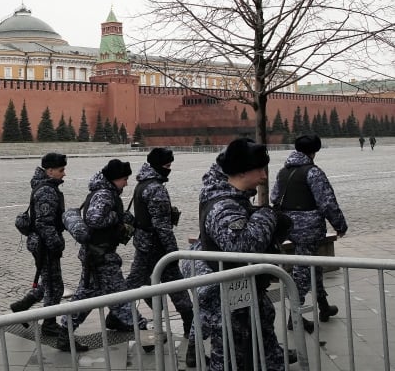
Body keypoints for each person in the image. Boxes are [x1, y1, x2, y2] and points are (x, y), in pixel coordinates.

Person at [195, 138, 293, 371]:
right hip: (229, 305)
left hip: (246, 298)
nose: (264, 176)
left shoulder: (235, 201)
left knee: (267, 357)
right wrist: (267, 216)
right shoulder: (223, 207)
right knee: (229, 361)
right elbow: (241, 246)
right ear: (242, 172)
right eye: (259, 169)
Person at [58, 159, 138, 352]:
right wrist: (117, 218)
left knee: (86, 297)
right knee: (120, 296)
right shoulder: (104, 194)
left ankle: (64, 334)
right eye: (124, 179)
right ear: (114, 178)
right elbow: (94, 218)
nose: (126, 183)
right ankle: (143, 333)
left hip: (98, 254)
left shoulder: (105, 191)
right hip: (100, 256)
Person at [270, 134, 348, 332]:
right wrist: (340, 225)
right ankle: (294, 316)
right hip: (308, 228)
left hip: (288, 226)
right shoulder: (313, 173)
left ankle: (323, 306)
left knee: (314, 266)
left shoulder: (283, 171)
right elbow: (327, 202)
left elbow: (274, 197)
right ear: (314, 151)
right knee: (304, 271)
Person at [125, 148, 196, 361]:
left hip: (144, 246)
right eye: (167, 166)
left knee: (135, 284)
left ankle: (124, 315)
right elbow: (163, 227)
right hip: (157, 248)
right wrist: (172, 254)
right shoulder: (155, 189)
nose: (169, 169)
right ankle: (188, 323)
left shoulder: (142, 183)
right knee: (175, 285)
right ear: (157, 165)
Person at [9, 152, 68, 337]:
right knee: (55, 286)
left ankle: (22, 305)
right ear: (49, 171)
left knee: (49, 280)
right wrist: (56, 244)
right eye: (61, 170)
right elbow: (44, 223)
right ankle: (49, 324)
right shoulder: (47, 190)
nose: (64, 173)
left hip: (41, 242)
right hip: (44, 244)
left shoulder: (46, 186)